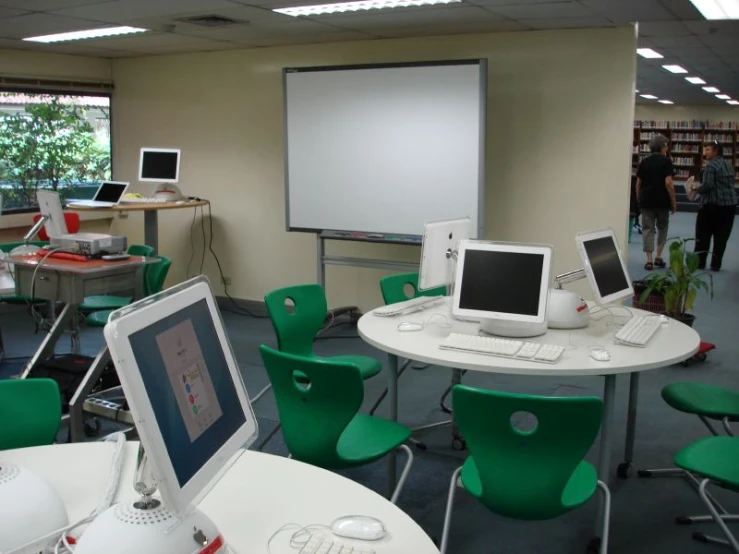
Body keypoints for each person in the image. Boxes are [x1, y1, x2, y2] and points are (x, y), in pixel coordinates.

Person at [690, 140, 737, 271]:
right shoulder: (729, 165)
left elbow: (708, 186)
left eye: (708, 150)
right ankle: (716, 264)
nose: (705, 152)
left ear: (716, 151)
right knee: (721, 237)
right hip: (729, 206)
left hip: (711, 206)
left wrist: (695, 188)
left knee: (703, 236)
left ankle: (700, 263)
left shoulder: (711, 166)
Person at [636, 134, 677, 270]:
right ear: (662, 147)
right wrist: (673, 202)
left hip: (646, 200)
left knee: (648, 229)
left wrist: (639, 198)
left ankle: (649, 260)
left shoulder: (644, 162)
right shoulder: (666, 162)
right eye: (666, 145)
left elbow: (638, 183)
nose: (667, 147)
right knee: (662, 228)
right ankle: (659, 257)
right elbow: (669, 183)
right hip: (662, 201)